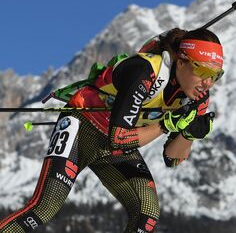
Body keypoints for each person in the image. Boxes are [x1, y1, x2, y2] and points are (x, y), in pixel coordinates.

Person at [0, 28, 224, 233]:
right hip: (82, 127)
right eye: (203, 71)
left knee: (147, 213)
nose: (208, 82)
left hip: (118, 144)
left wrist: (188, 134)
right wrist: (166, 125)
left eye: (216, 75)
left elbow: (173, 159)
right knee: (44, 208)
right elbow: (118, 138)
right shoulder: (146, 71)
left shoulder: (197, 98)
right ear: (182, 61)